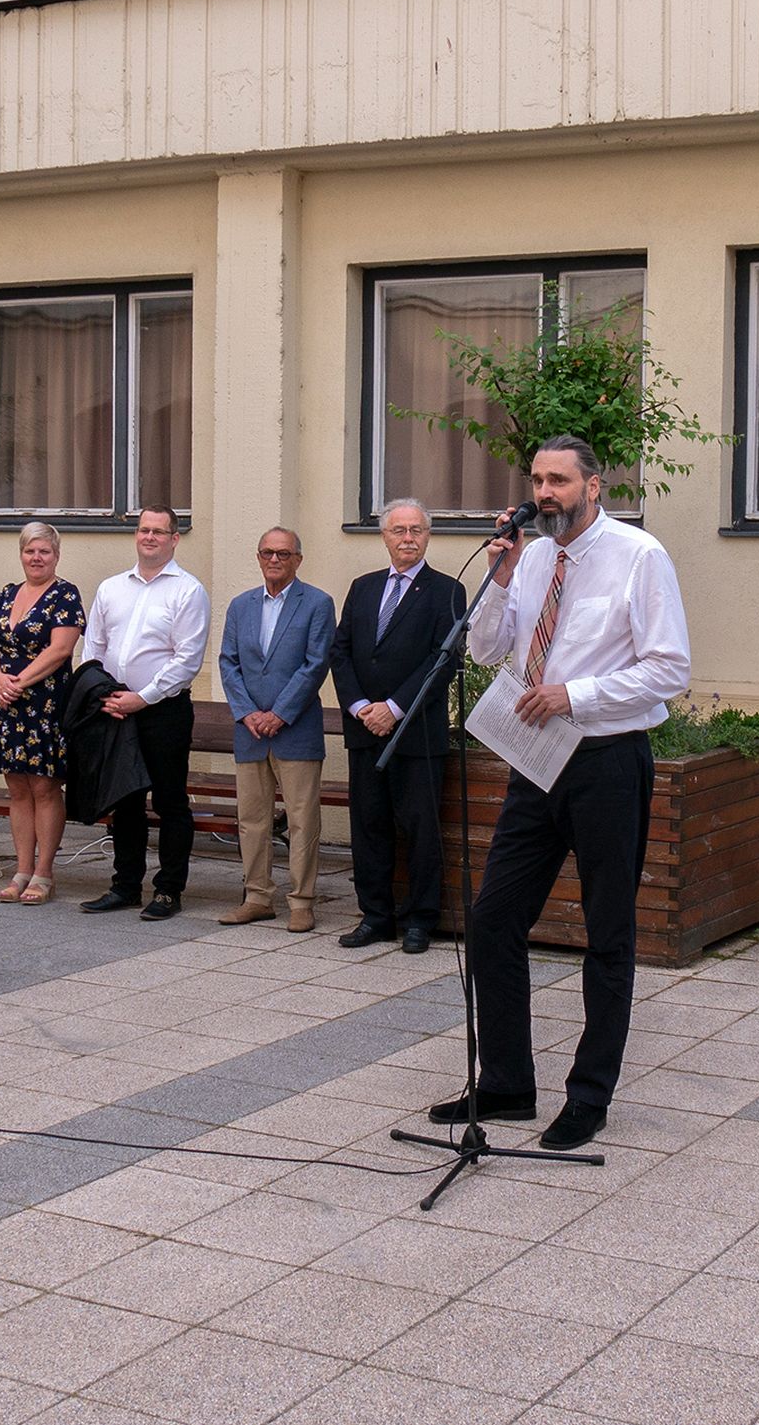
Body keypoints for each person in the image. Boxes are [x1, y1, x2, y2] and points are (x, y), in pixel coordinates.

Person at [430, 435, 689, 1152]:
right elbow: (486, 650)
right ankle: (508, 1082)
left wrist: (575, 694)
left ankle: (588, 1096)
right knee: (492, 918)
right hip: (535, 759)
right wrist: (504, 579)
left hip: (607, 759)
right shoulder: (534, 555)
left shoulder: (641, 558)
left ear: (594, 486)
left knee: (608, 933)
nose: (544, 492)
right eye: (537, 480)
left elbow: (670, 669)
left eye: (559, 481)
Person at [330, 499, 467, 954]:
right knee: (368, 827)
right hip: (364, 729)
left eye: (416, 530)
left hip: (416, 735)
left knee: (420, 830)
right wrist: (359, 707)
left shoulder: (447, 591)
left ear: (428, 536)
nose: (407, 538)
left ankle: (420, 920)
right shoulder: (363, 587)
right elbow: (342, 652)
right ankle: (375, 915)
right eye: (398, 530)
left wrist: (394, 706)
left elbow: (441, 661)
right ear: (384, 537)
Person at [77, 505, 209, 921]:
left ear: (175, 539)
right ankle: (125, 886)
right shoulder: (112, 588)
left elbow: (187, 660)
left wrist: (144, 697)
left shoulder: (188, 591)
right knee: (126, 802)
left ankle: (169, 890)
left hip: (163, 712)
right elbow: (92, 647)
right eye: (143, 530)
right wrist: (102, 693)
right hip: (117, 709)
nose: (149, 537)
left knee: (170, 802)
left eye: (158, 531)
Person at [217, 527, 335, 933]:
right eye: (267, 552)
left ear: (298, 559)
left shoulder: (317, 603)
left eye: (283, 554)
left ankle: (301, 901)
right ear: (258, 556)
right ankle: (257, 896)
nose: (274, 560)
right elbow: (228, 662)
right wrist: (248, 713)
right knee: (252, 818)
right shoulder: (241, 605)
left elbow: (315, 664)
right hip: (250, 731)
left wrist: (279, 714)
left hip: (295, 728)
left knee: (302, 819)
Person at [0, 522, 85, 906]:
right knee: (17, 789)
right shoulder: (7, 593)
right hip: (7, 704)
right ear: (21, 554)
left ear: (56, 555)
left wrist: (17, 683)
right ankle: (21, 870)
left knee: (44, 787)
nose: (36, 558)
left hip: (46, 704)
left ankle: (44, 873)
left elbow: (60, 650)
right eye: (30, 551)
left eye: (44, 551)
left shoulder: (65, 595)